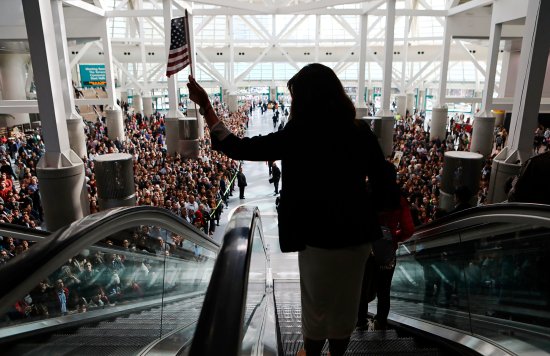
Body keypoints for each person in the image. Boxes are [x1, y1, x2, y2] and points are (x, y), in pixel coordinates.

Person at [187, 63, 396, 356]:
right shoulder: (359, 132)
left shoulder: (299, 135)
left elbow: (239, 147)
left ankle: (311, 354)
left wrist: (207, 106)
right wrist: (367, 211)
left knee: (315, 305)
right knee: (346, 304)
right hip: (357, 237)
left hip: (316, 237)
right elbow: (384, 177)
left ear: (306, 99)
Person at [356, 163, 415, 330]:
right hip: (387, 251)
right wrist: (394, 238)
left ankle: (360, 322)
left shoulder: (365, 195)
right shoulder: (399, 199)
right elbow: (409, 229)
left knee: (362, 286)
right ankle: (381, 322)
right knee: (384, 289)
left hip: (365, 249)